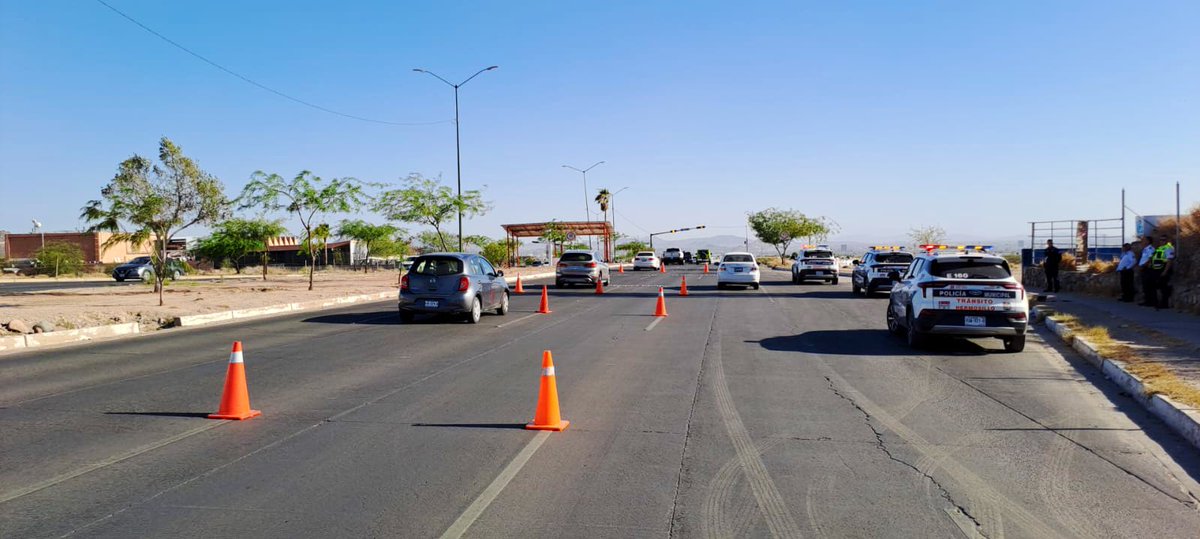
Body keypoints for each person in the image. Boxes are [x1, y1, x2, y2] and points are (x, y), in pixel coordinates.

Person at [1154, 234, 1176, 309]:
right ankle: (1160, 302)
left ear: (1167, 241)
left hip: (1164, 269)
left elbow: (1169, 261)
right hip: (1158, 269)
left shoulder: (1168, 248)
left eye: (1164, 240)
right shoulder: (1160, 248)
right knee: (1159, 286)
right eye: (1161, 239)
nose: (1162, 241)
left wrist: (1165, 271)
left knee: (1164, 287)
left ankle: (1164, 303)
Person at [1139, 236, 1158, 307]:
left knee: (1149, 286)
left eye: (1144, 240)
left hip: (1148, 269)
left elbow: (1151, 258)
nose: (1142, 241)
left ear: (1148, 241)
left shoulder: (1150, 249)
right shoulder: (1145, 249)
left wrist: (1143, 265)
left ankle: (1151, 302)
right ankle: (1147, 301)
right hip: (1144, 269)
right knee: (1145, 286)